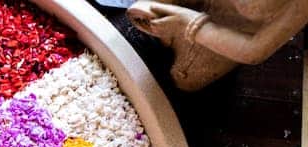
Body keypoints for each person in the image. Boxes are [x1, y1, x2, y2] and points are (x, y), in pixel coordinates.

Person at [127, 0, 308, 90]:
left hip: (217, 42)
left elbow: (254, 50)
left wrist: (190, 24)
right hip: (173, 14)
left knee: (176, 84)